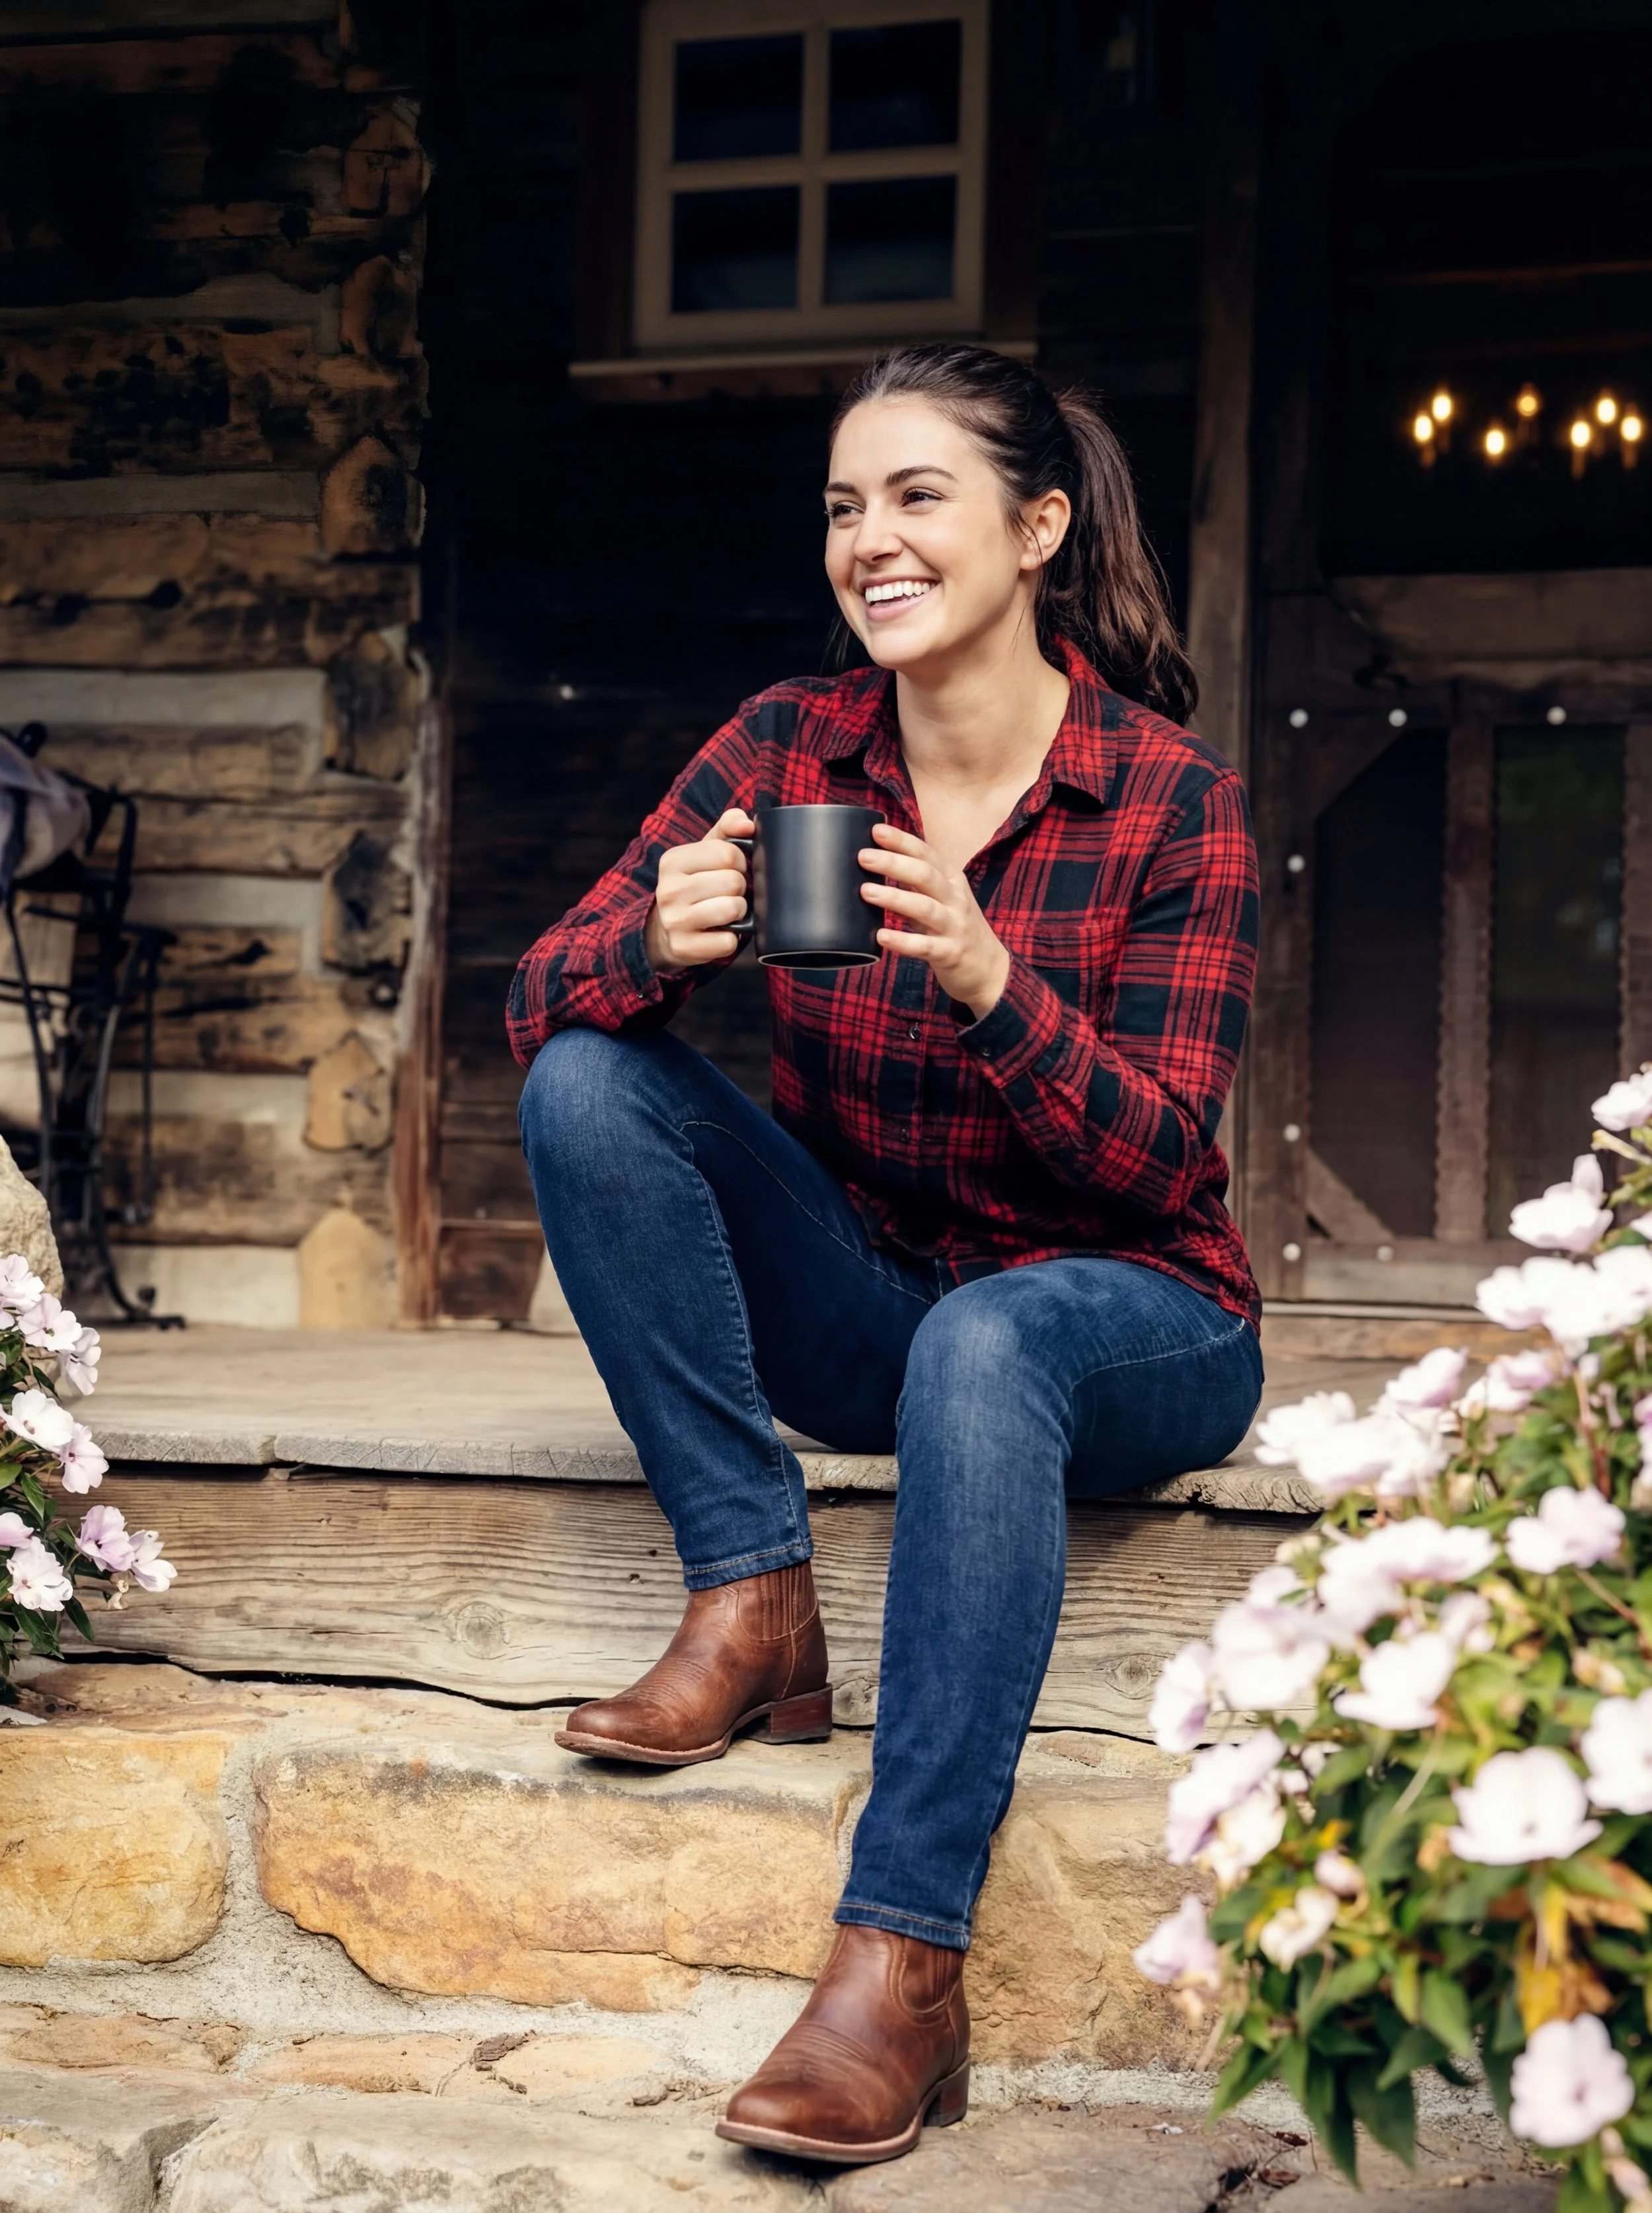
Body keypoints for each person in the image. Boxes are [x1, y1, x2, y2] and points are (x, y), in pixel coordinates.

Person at [509, 342, 1262, 2167]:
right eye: (844, 506)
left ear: (1037, 527)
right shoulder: (787, 746)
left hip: (1132, 1314)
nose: (871, 538)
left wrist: (991, 981)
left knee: (991, 1341)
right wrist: (661, 943)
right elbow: (537, 998)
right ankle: (752, 1590)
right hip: (874, 1291)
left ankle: (899, 1958)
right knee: (594, 1077)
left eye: (916, 495)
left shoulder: (1173, 800)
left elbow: (1156, 1155)